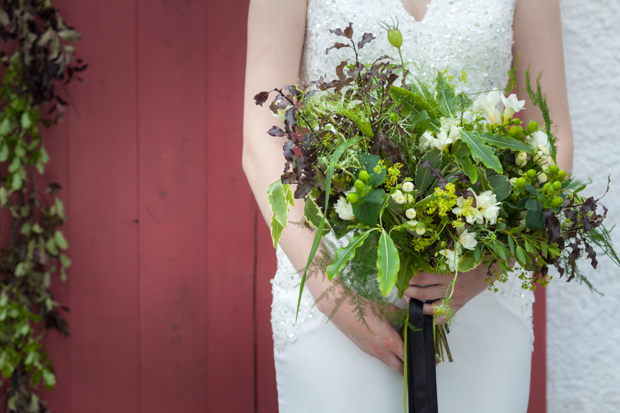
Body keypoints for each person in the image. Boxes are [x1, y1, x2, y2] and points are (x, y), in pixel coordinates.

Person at [242, 0, 573, 411]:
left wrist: (488, 267)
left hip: (476, 284)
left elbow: (549, 129)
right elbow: (262, 143)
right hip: (334, 275)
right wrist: (338, 300)